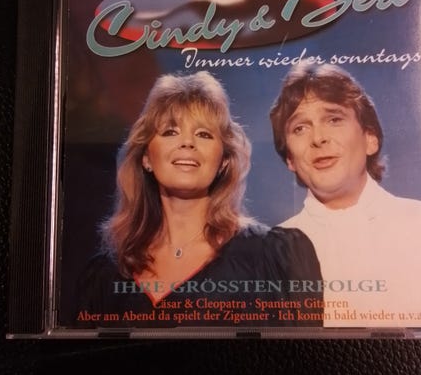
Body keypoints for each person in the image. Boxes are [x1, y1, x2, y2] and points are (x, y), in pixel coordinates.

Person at [76, 71, 323, 328]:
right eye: (170, 131)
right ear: (146, 158)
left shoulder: (274, 258)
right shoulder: (105, 276)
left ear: (223, 161)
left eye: (204, 134)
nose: (187, 142)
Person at [269, 63, 421, 328]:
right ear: (290, 158)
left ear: (370, 139)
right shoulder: (270, 251)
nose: (318, 138)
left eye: (334, 119)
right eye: (300, 128)